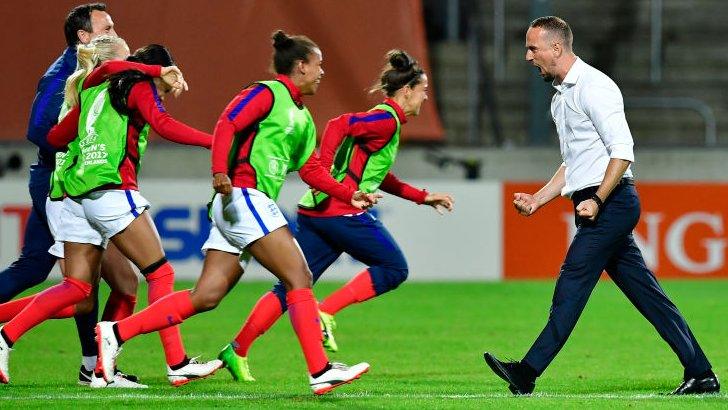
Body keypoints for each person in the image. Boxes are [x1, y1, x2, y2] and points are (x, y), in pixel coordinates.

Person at [94, 30, 377, 395]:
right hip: (244, 196)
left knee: (206, 295)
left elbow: (310, 170)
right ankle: (319, 370)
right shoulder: (265, 93)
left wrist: (348, 193)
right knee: (299, 277)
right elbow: (227, 123)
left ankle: (116, 333)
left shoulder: (304, 119)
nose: (323, 72)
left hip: (240, 205)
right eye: (319, 65)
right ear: (301, 66)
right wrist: (219, 171)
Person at [483, 16, 719, 396]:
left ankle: (527, 371)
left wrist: (597, 198)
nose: (527, 57)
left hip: (612, 201)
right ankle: (701, 373)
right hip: (599, 200)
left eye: (533, 48)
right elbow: (572, 164)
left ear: (556, 48)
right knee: (649, 296)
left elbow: (622, 151)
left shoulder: (594, 87)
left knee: (573, 278)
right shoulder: (562, 96)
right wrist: (539, 199)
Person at [217, 49, 454, 382]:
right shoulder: (386, 119)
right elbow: (338, 123)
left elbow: (379, 174)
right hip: (340, 210)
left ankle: (237, 349)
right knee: (394, 268)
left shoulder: (387, 121)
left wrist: (422, 197)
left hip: (317, 210)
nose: (425, 98)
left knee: (291, 286)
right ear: (407, 91)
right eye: (423, 91)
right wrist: (325, 166)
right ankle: (325, 311)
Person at [0, 44, 221, 386]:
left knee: (77, 290)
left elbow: (57, 137)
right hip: (111, 189)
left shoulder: (91, 91)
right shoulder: (138, 86)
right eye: (164, 85)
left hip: (74, 194)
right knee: (159, 274)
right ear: (159, 69)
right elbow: (163, 124)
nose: (162, 95)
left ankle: (11, 338)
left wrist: (85, 145)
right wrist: (214, 141)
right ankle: (175, 363)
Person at [0, 2, 147, 386]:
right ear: (85, 36)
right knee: (94, 287)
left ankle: (92, 365)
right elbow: (38, 130)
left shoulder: (92, 68)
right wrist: (82, 145)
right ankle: (94, 366)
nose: (114, 33)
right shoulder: (62, 75)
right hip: (64, 185)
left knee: (35, 268)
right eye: (107, 27)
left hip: (64, 183)